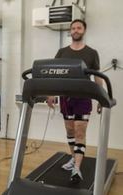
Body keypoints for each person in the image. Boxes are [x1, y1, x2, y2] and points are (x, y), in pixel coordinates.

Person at [47, 19, 102, 183]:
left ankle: (77, 168)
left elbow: (98, 77)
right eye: (73, 28)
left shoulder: (91, 53)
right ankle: (73, 158)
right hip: (66, 97)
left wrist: (101, 96)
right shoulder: (62, 52)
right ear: (70, 32)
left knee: (79, 132)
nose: (76, 30)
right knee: (70, 131)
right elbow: (53, 73)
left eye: (79, 28)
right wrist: (51, 94)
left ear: (84, 31)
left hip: (83, 97)